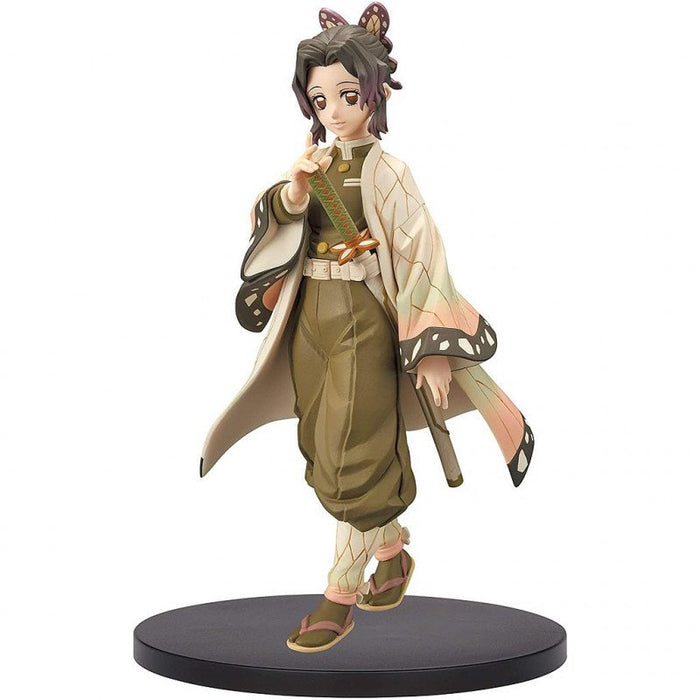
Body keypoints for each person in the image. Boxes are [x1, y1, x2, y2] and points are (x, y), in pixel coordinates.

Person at [201, 4, 534, 653]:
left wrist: (432, 349)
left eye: (346, 95)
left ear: (374, 93)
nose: (332, 109)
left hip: (364, 321)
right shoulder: (313, 164)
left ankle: (340, 593)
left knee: (356, 453)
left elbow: (422, 253)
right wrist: (293, 196)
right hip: (310, 322)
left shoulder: (390, 172)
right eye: (320, 97)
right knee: (323, 448)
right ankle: (391, 551)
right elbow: (271, 223)